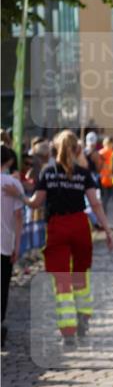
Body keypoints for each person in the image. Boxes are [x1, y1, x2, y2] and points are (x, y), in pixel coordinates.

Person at [7, 130, 113, 347]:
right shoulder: (84, 174)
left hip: (57, 227)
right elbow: (95, 204)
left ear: (55, 149)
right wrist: (108, 231)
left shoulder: (48, 172)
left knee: (62, 279)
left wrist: (18, 194)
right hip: (80, 226)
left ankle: (68, 332)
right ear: (76, 149)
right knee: (81, 275)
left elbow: (35, 203)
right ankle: (83, 315)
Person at [1, 145, 24, 349]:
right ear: (8, 162)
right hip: (5, 244)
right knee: (3, 287)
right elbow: (19, 218)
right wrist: (18, 246)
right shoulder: (13, 185)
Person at [98, 136, 113, 215]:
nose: (110, 145)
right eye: (108, 144)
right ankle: (104, 218)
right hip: (104, 181)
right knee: (104, 201)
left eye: (111, 144)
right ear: (105, 144)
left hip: (112, 180)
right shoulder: (101, 153)